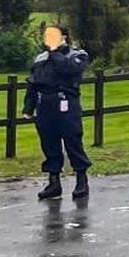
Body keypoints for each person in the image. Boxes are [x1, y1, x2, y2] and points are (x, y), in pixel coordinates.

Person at [25, 26, 91, 200]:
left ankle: (81, 180)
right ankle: (54, 182)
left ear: (64, 37)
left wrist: (55, 52)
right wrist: (29, 107)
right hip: (45, 105)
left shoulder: (77, 55)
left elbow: (69, 70)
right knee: (49, 144)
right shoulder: (40, 59)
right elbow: (33, 83)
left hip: (66, 104)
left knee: (73, 141)